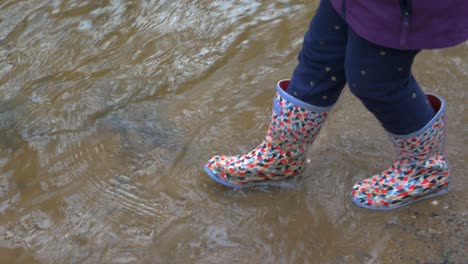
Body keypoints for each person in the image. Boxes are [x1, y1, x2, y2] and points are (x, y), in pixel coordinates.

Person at [204, 0, 468, 210]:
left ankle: (424, 170)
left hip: (403, 7)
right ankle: (282, 156)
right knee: (320, 57)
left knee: (377, 81)